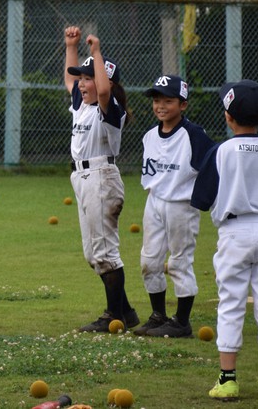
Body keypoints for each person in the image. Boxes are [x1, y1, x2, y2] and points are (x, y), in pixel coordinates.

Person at [191, 80, 258, 401]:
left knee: (231, 303)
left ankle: (228, 379)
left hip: (234, 232)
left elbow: (203, 198)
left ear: (228, 117)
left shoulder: (220, 151)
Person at [63, 26, 138, 332]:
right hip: (82, 178)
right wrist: (72, 45)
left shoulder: (110, 111)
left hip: (101, 177)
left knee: (105, 252)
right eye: (83, 77)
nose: (82, 83)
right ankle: (127, 312)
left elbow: (105, 91)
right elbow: (69, 79)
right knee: (93, 254)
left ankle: (113, 315)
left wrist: (96, 52)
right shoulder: (82, 106)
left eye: (89, 77)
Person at [134, 75, 215, 338]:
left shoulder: (194, 135)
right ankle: (158, 316)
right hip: (155, 202)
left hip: (181, 205)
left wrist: (205, 198)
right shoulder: (149, 136)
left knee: (179, 262)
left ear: (183, 105)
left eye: (168, 100)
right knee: (149, 260)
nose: (160, 105)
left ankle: (181, 321)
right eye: (157, 100)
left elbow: (213, 167)